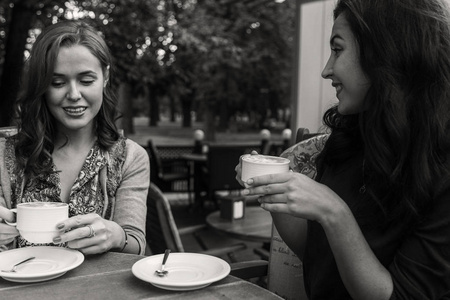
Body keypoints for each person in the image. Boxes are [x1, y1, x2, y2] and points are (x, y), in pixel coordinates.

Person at [236, 0, 450, 298]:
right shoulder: (350, 137)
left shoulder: (442, 169)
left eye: (337, 49)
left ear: (386, 52)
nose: (326, 70)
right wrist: (273, 191)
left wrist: (334, 212)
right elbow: (316, 256)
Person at [0, 20, 149, 255]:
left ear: (105, 77)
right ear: (42, 86)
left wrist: (117, 236)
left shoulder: (131, 157)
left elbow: (136, 243)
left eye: (86, 80)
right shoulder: (4, 155)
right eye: (57, 83)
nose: (74, 94)